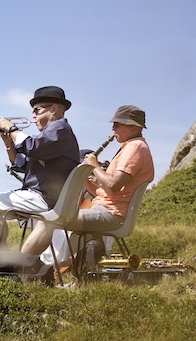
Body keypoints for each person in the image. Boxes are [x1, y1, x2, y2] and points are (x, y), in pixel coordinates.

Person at [25, 105, 154, 267]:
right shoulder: (130, 147)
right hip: (107, 209)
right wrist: (84, 180)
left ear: (133, 127)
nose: (113, 128)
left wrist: (94, 166)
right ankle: (43, 267)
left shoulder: (135, 148)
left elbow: (113, 184)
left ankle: (21, 267)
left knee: (50, 220)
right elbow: (109, 191)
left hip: (112, 215)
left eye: (117, 124)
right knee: (51, 218)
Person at [0, 86, 80, 253]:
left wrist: (12, 128)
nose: (33, 116)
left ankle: (3, 260)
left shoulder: (59, 128)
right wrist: (8, 141)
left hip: (43, 197)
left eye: (37, 110)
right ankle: (3, 263)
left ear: (53, 108)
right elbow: (22, 164)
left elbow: (32, 146)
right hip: (49, 197)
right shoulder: (53, 136)